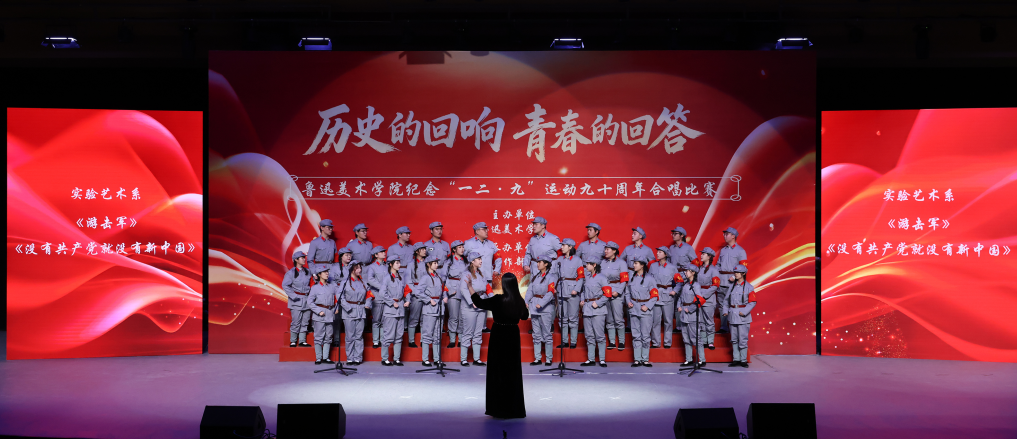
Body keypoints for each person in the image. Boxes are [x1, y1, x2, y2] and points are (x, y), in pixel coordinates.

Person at [469, 272, 529, 419]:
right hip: (513, 335)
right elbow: (524, 316)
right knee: (512, 371)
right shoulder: (519, 300)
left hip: (499, 334)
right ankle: (513, 409)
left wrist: (470, 287)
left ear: (504, 285)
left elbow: (480, 303)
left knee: (497, 370)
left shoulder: (498, 299)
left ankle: (498, 408)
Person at [463, 222, 501, 334]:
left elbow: (498, 257)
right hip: (473, 277)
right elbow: (462, 258)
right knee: (473, 299)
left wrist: (497, 269)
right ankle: (471, 325)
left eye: (486, 229)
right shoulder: (469, 243)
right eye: (484, 229)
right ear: (477, 231)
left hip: (486, 277)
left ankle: (482, 326)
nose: (486, 231)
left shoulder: (491, 244)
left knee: (485, 301)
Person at [625, 256, 659, 367]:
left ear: (642, 265)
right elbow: (627, 292)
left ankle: (645, 359)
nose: (634, 265)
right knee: (636, 335)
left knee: (645, 336)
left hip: (645, 310)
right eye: (634, 263)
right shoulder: (631, 277)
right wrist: (628, 302)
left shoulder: (650, 279)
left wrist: (647, 306)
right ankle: (637, 359)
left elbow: (654, 296)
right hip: (634, 309)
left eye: (636, 263)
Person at [414, 254, 447, 366]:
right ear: (428, 264)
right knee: (427, 334)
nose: (437, 265)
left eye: (437, 263)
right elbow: (418, 292)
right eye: (434, 263)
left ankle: (437, 359)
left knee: (438, 335)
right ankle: (425, 359)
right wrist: (428, 299)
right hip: (429, 309)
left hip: (439, 308)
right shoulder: (425, 278)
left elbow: (443, 289)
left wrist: (445, 296)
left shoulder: (438, 277)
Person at [459, 251, 492, 366]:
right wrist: (472, 301)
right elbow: (463, 289)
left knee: (478, 333)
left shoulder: (481, 274)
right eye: (478, 259)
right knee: (468, 332)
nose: (480, 261)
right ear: (472, 262)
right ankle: (463, 359)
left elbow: (487, 288)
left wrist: (492, 300)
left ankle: (476, 359)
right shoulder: (466, 274)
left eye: (480, 258)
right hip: (470, 306)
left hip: (481, 303)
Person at [525, 254, 558, 365]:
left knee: (547, 334)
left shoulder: (551, 277)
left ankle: (548, 358)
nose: (537, 264)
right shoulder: (535, 276)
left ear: (546, 264)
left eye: (540, 262)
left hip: (546, 308)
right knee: (536, 334)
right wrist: (526, 301)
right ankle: (537, 358)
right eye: (537, 262)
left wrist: (541, 303)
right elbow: (530, 290)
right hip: (534, 307)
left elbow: (550, 293)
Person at [579, 256, 610, 367]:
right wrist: (582, 300)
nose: (586, 266)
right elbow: (583, 291)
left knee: (599, 335)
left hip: (598, 310)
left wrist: (599, 303)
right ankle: (591, 359)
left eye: (588, 264)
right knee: (589, 335)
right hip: (587, 308)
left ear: (594, 265)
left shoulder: (602, 278)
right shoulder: (587, 277)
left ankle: (602, 359)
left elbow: (607, 294)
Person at [716, 227, 748, 334]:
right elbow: (718, 265)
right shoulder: (723, 250)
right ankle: (723, 326)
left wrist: (735, 277)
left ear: (733, 236)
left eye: (727, 234)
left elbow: (744, 268)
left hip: (733, 282)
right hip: (721, 281)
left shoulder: (740, 251)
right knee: (721, 304)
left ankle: (733, 328)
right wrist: (715, 276)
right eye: (724, 234)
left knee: (733, 304)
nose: (724, 236)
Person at [338, 262, 372, 365]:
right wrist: (348, 307)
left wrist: (367, 304)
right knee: (350, 336)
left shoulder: (363, 282)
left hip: (361, 311)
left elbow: (369, 294)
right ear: (352, 269)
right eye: (357, 268)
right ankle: (350, 357)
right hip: (349, 312)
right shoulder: (345, 282)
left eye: (360, 268)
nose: (359, 270)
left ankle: (358, 358)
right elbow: (340, 296)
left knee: (359, 336)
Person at [723, 264, 756, 368]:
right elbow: (726, 300)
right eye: (735, 272)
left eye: (738, 272)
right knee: (734, 339)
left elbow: (752, 302)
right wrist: (725, 310)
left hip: (743, 317)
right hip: (733, 315)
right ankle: (736, 359)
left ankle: (743, 360)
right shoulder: (731, 287)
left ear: (743, 274)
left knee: (743, 339)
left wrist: (745, 311)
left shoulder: (749, 287)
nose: (736, 274)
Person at [380, 254, 410, 366]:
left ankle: (396, 359)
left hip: (400, 309)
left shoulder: (401, 278)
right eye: (397, 263)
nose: (399, 265)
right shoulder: (387, 278)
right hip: (390, 310)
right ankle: (385, 358)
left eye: (399, 262)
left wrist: (408, 300)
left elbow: (406, 290)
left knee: (399, 335)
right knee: (388, 335)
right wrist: (392, 302)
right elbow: (382, 293)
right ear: (391, 264)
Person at [555, 238, 584, 349]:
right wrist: (554, 288)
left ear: (570, 247)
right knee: (562, 318)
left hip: (572, 291)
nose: (562, 247)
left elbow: (581, 277)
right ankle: (564, 341)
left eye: (564, 245)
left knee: (573, 318)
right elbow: (555, 275)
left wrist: (576, 289)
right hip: (561, 290)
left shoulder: (577, 260)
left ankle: (573, 341)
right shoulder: (559, 259)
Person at [649, 246, 679, 349]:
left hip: (667, 295)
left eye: (660, 252)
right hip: (656, 296)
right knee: (655, 321)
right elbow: (649, 280)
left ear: (666, 254)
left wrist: (675, 291)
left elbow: (679, 281)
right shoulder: (653, 266)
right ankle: (655, 342)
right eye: (657, 252)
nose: (657, 253)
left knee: (668, 321)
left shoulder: (672, 267)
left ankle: (667, 342)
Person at [677, 267, 707, 367]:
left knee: (695, 338)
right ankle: (688, 359)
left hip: (692, 315)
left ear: (693, 273)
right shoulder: (685, 285)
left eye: (687, 271)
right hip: (683, 314)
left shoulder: (696, 286)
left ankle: (702, 359)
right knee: (686, 338)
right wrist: (679, 306)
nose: (685, 273)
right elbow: (680, 297)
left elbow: (699, 300)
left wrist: (690, 309)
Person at [601, 241, 628, 351]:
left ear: (614, 251)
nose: (605, 251)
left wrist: (618, 291)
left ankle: (621, 341)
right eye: (605, 249)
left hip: (616, 292)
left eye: (608, 249)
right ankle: (612, 341)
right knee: (609, 319)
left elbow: (624, 280)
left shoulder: (621, 263)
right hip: (605, 292)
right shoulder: (602, 263)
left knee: (618, 318)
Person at [283, 250, 313, 347]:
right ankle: (293, 341)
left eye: (304, 257)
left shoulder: (308, 272)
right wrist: (294, 296)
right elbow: (285, 285)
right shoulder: (291, 273)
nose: (304, 259)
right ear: (296, 260)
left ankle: (302, 341)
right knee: (296, 321)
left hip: (307, 299)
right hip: (296, 300)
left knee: (305, 321)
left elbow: (312, 283)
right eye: (302, 258)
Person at [309, 265, 338, 365]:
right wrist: (318, 311)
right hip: (319, 315)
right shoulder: (315, 288)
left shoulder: (332, 287)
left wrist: (336, 308)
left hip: (329, 314)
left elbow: (336, 299)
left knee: (328, 336)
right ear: (319, 274)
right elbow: (310, 302)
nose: (327, 273)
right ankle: (318, 358)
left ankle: (326, 358)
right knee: (318, 337)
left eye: (327, 272)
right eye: (324, 272)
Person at [694, 247, 722, 350]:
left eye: (703, 254)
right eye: (701, 254)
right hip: (699, 297)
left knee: (709, 320)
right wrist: (697, 294)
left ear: (709, 256)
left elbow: (715, 285)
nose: (701, 255)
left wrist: (704, 295)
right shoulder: (699, 269)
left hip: (708, 299)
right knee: (700, 320)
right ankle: (703, 340)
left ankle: (710, 341)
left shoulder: (714, 270)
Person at [329, 247, 354, 345]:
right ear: (341, 257)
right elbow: (332, 281)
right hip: (338, 294)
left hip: (350, 295)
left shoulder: (353, 266)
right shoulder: (334, 267)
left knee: (350, 317)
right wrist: (339, 290)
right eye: (346, 255)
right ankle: (336, 339)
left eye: (350, 255)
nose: (349, 257)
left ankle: (351, 339)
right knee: (337, 318)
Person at [444, 240, 467, 348]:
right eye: (459, 247)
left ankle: (461, 339)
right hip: (453, 291)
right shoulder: (448, 262)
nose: (462, 249)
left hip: (464, 291)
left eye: (463, 247)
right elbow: (444, 277)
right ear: (454, 249)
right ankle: (452, 340)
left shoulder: (466, 262)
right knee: (453, 316)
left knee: (462, 317)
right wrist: (448, 290)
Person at [364, 246, 388, 348]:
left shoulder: (387, 266)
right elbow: (370, 279)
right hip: (377, 295)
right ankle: (375, 341)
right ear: (376, 255)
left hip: (386, 296)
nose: (384, 253)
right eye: (381, 252)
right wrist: (382, 287)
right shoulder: (372, 267)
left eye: (384, 251)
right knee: (376, 320)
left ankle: (382, 340)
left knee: (384, 320)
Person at [406, 242, 429, 348]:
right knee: (414, 318)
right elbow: (408, 281)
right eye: (422, 249)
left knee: (425, 318)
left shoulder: (428, 263)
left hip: (427, 293)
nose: (425, 251)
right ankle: (411, 340)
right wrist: (416, 292)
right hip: (416, 294)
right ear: (417, 252)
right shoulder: (411, 264)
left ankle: (423, 340)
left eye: (425, 249)